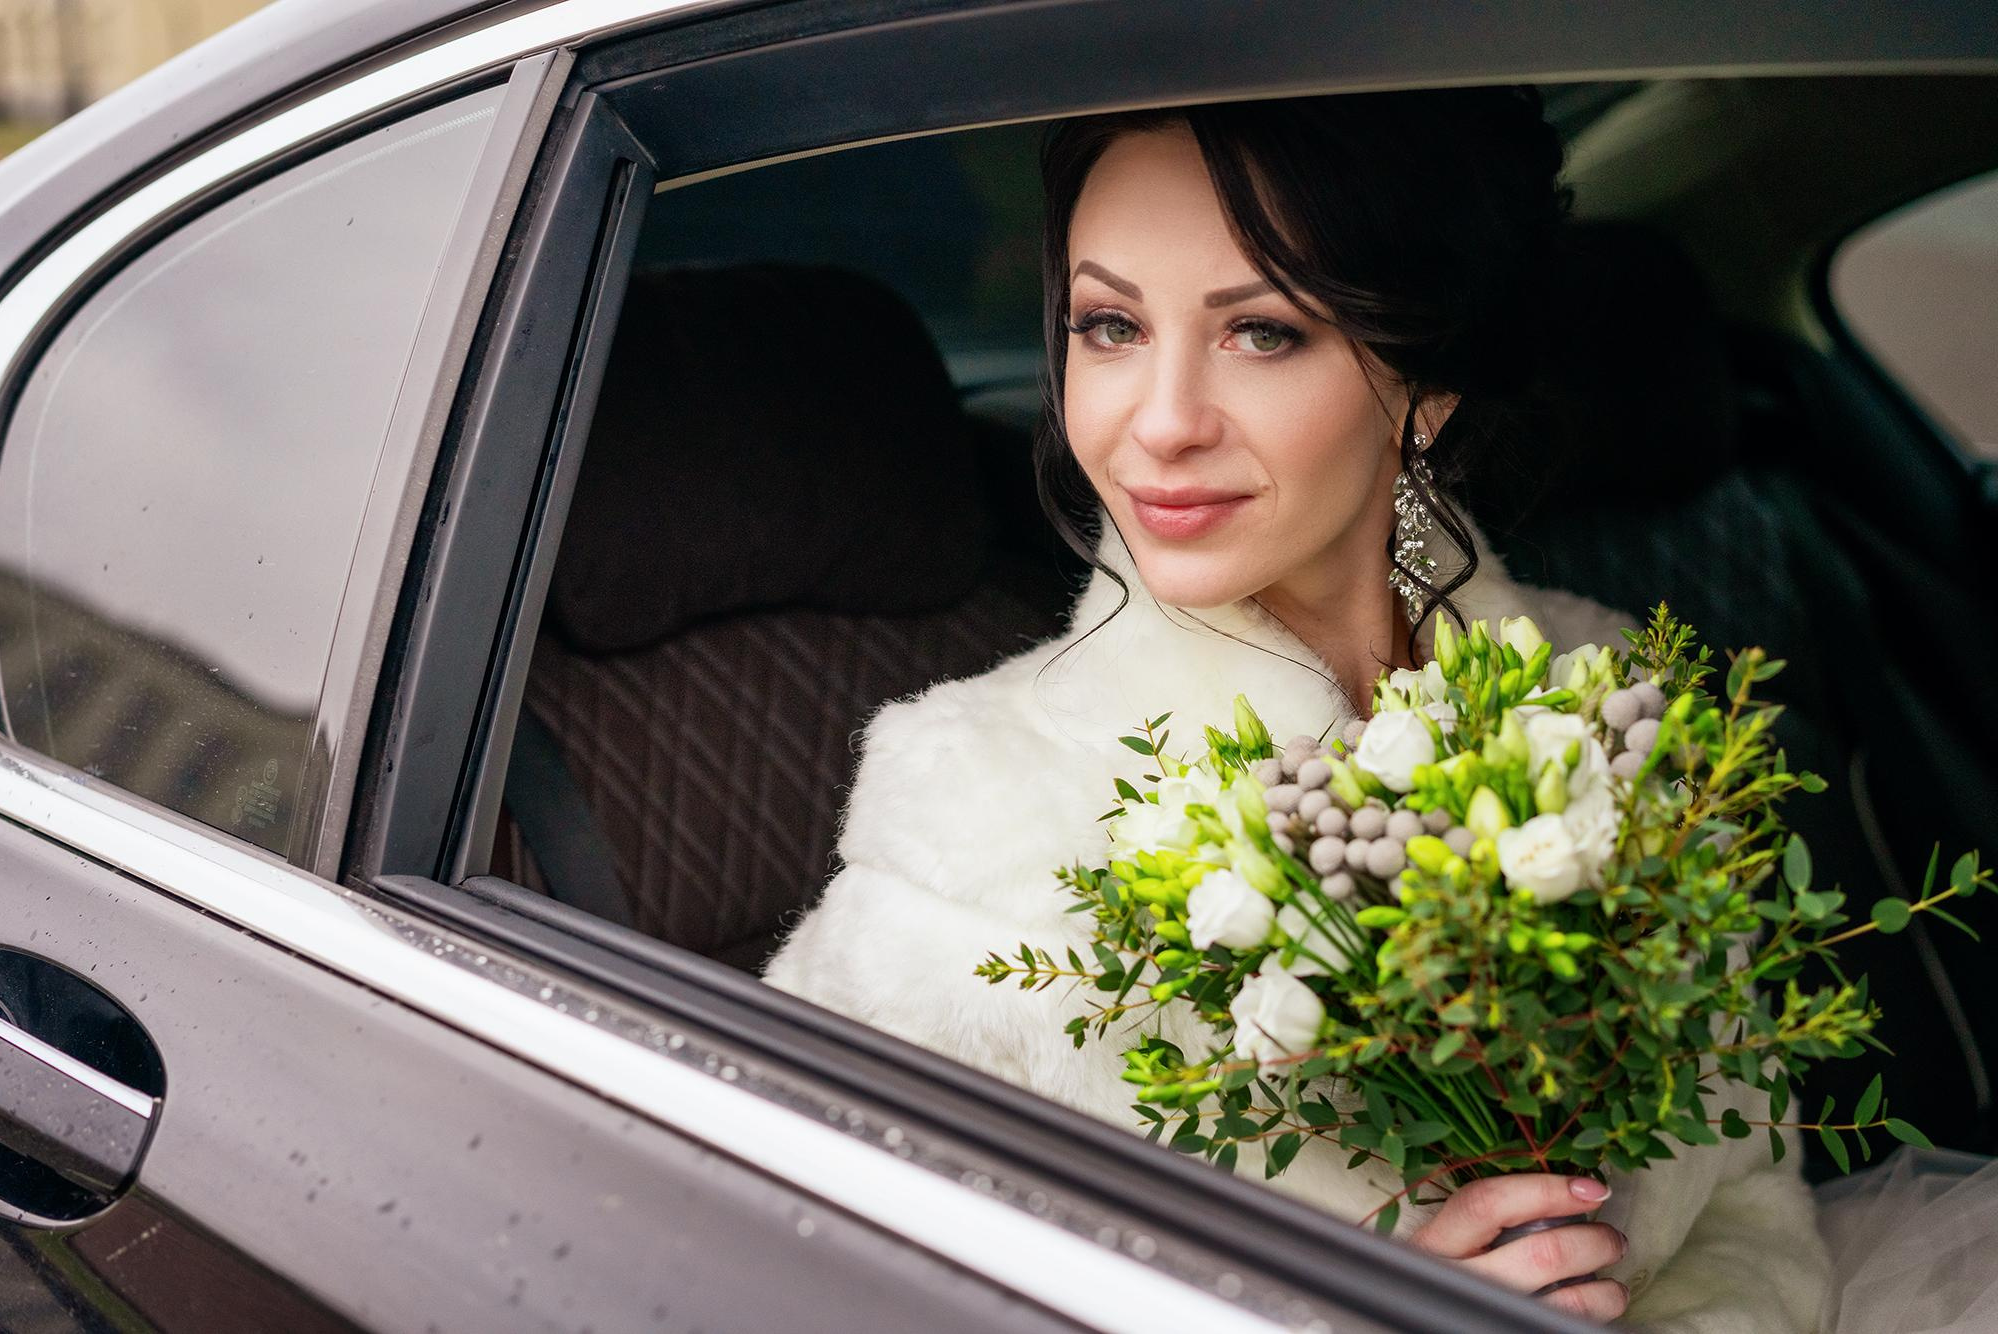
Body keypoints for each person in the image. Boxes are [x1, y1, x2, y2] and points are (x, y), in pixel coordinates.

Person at [761, 89, 1829, 1328]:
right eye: (1107, 325)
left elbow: (1749, 1192)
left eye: (1259, 332)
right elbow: (807, 1281)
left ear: (1426, 384)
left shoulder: (1606, 714)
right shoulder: (964, 820)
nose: (1156, 422)